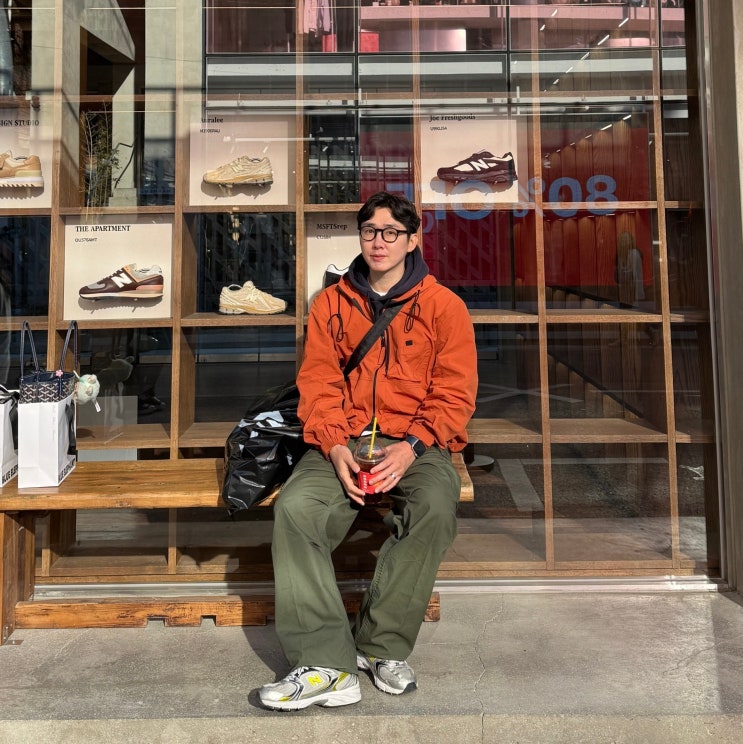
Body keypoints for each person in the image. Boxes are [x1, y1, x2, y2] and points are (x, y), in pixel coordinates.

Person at [258, 191, 478, 711]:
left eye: (391, 232)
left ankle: (381, 645)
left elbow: (455, 393)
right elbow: (318, 384)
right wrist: (334, 445)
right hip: (346, 438)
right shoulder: (330, 304)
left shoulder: (444, 306)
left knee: (434, 507)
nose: (379, 242)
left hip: (417, 441)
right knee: (297, 510)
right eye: (370, 231)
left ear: (412, 239)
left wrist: (413, 446)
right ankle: (326, 663)